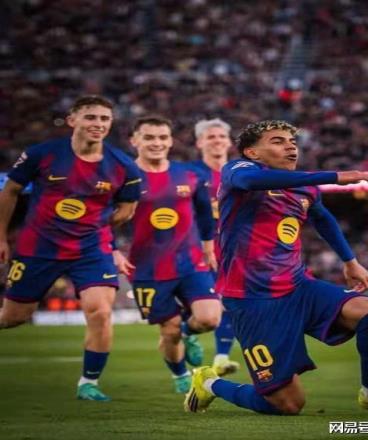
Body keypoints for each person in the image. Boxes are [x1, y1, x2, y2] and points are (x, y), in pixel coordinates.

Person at [184, 120, 368, 416]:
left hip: (297, 286)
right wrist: (338, 176)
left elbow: (323, 218)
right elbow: (249, 182)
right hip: (252, 298)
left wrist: (350, 261)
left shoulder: (304, 187)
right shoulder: (238, 170)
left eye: (292, 141)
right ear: (252, 152)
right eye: (277, 141)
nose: (290, 146)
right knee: (287, 404)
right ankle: (209, 383)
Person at [0, 95, 142, 401]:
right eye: (91, 117)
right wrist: (0, 236)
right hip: (38, 247)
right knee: (13, 317)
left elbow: (126, 210)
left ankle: (89, 383)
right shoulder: (42, 154)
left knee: (100, 311)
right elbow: (10, 191)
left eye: (104, 119)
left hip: (90, 250)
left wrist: (99, 230)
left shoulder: (123, 166)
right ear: (72, 120)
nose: (98, 124)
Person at [125, 115, 221, 394]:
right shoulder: (124, 177)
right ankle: (180, 376)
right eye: (149, 137)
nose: (157, 143)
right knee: (169, 330)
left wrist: (208, 246)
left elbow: (205, 213)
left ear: (170, 141)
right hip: (147, 267)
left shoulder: (189, 175)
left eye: (162, 137)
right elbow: (105, 217)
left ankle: (188, 334)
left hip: (190, 260)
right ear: (135, 141)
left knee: (209, 318)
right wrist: (110, 250)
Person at [190, 118, 240, 376]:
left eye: (221, 136)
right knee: (206, 309)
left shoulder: (240, 173)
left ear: (229, 142)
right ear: (199, 143)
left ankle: (221, 358)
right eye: (211, 136)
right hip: (196, 250)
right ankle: (185, 334)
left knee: (230, 303)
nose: (217, 140)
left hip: (234, 250)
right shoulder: (190, 174)